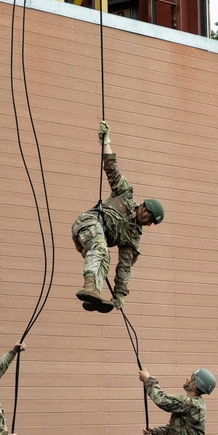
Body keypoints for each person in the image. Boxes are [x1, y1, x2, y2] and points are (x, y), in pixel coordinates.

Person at [73, 120, 164, 313]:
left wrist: (120, 295)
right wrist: (106, 140)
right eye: (149, 218)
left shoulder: (133, 236)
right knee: (101, 249)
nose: (147, 223)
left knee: (103, 257)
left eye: (150, 223)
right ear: (145, 208)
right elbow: (112, 169)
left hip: (91, 241)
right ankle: (91, 287)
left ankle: (93, 294)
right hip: (88, 223)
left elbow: (124, 267)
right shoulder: (125, 195)